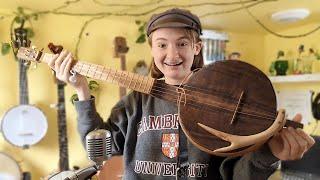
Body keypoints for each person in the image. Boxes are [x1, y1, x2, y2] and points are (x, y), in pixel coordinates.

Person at [48, 8, 315, 180]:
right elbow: (101, 150)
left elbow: (237, 175)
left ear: (197, 47)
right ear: (152, 49)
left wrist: (269, 154)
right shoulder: (135, 102)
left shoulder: (224, 100)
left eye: (182, 43)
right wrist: (81, 90)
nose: (172, 54)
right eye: (162, 44)